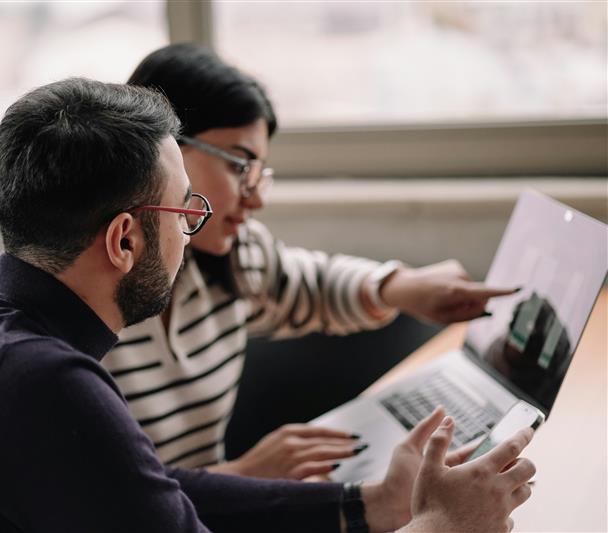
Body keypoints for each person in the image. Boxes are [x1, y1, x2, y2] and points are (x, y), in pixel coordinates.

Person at [0, 77, 534, 532]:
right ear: (126, 239)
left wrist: (367, 504)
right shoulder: (42, 385)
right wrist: (444, 523)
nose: (193, 232)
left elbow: (139, 488)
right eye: (183, 210)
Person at [101, 42, 519, 479]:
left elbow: (309, 283)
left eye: (260, 173)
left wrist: (398, 287)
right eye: (240, 166)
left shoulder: (233, 258)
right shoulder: (90, 305)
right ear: (165, 151)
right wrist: (245, 475)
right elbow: (102, 499)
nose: (256, 197)